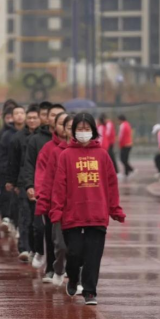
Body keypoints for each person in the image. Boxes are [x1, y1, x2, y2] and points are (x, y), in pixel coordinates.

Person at [50, 112, 125, 306]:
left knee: (93, 255)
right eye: (80, 129)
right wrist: (56, 210)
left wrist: (115, 209)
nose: (83, 133)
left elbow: (111, 183)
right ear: (74, 131)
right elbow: (59, 185)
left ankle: (90, 291)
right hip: (72, 214)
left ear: (93, 131)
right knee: (74, 253)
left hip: (97, 214)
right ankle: (74, 277)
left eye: (87, 129)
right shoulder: (66, 155)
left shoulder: (102, 155)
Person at [21, 103, 63, 272]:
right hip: (45, 191)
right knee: (43, 228)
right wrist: (30, 185)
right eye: (51, 115)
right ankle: (44, 258)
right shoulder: (37, 140)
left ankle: (66, 267)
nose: (55, 118)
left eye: (60, 115)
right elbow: (29, 164)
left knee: (64, 233)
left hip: (66, 194)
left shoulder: (72, 142)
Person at [36, 114, 73, 287]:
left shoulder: (92, 154)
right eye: (67, 126)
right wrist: (43, 200)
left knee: (79, 245)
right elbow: (46, 177)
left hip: (78, 208)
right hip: (56, 205)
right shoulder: (52, 150)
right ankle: (56, 268)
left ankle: (77, 278)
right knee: (58, 243)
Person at [6, 104, 41, 262]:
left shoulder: (43, 138)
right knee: (24, 216)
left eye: (35, 118)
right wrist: (11, 181)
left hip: (41, 181)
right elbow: (12, 162)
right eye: (30, 118)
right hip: (22, 180)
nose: (32, 120)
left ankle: (36, 249)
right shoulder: (18, 138)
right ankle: (24, 248)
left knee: (37, 219)